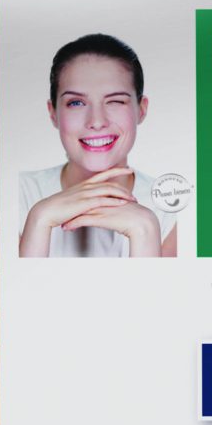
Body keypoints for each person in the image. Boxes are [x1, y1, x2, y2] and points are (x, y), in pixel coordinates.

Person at [17, 33, 181, 258]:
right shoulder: (18, 194)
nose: (96, 121)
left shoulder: (171, 208)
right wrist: (38, 220)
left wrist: (145, 232)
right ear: (53, 112)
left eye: (115, 101)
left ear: (141, 109)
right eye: (76, 102)